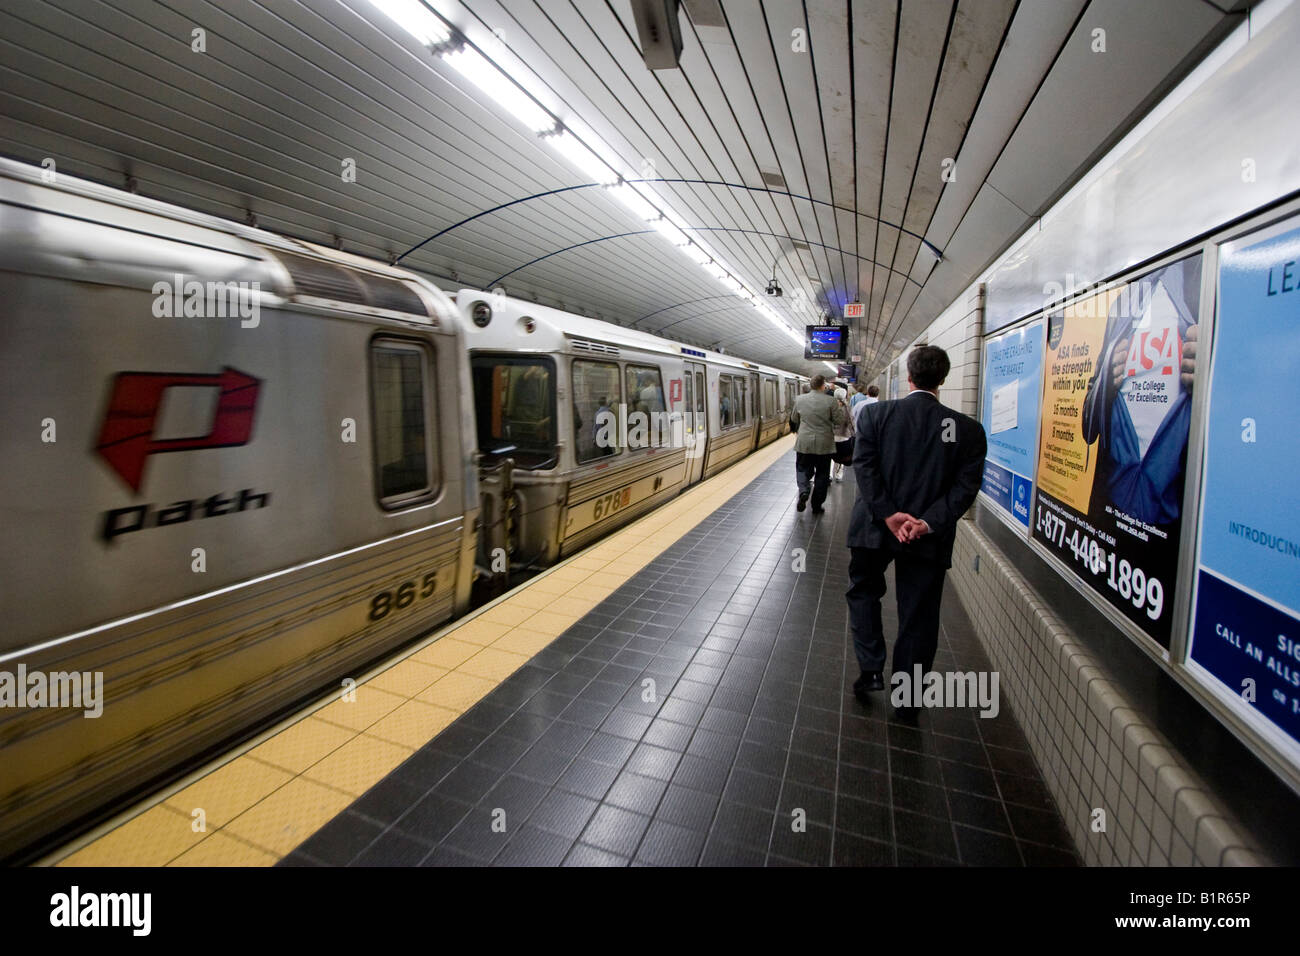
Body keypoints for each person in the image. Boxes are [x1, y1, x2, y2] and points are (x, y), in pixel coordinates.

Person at [845, 346, 987, 720]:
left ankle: (871, 669)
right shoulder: (968, 431)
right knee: (919, 614)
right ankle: (907, 697)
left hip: (874, 529)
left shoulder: (876, 416)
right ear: (943, 379)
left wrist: (890, 515)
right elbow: (964, 489)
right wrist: (925, 523)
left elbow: (865, 468)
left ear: (908, 376)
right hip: (927, 537)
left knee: (863, 592)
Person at [789, 373, 846, 514]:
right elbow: (839, 421)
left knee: (802, 469)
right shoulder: (831, 401)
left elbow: (794, 419)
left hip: (804, 443)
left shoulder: (800, 399)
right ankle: (816, 505)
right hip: (825, 444)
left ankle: (804, 491)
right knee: (822, 474)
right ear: (823, 386)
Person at [831, 387, 853, 482]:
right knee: (842, 457)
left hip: (830, 437)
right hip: (844, 436)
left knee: (830, 456)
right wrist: (854, 434)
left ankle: (829, 475)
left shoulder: (830, 406)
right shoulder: (847, 407)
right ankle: (838, 474)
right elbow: (851, 422)